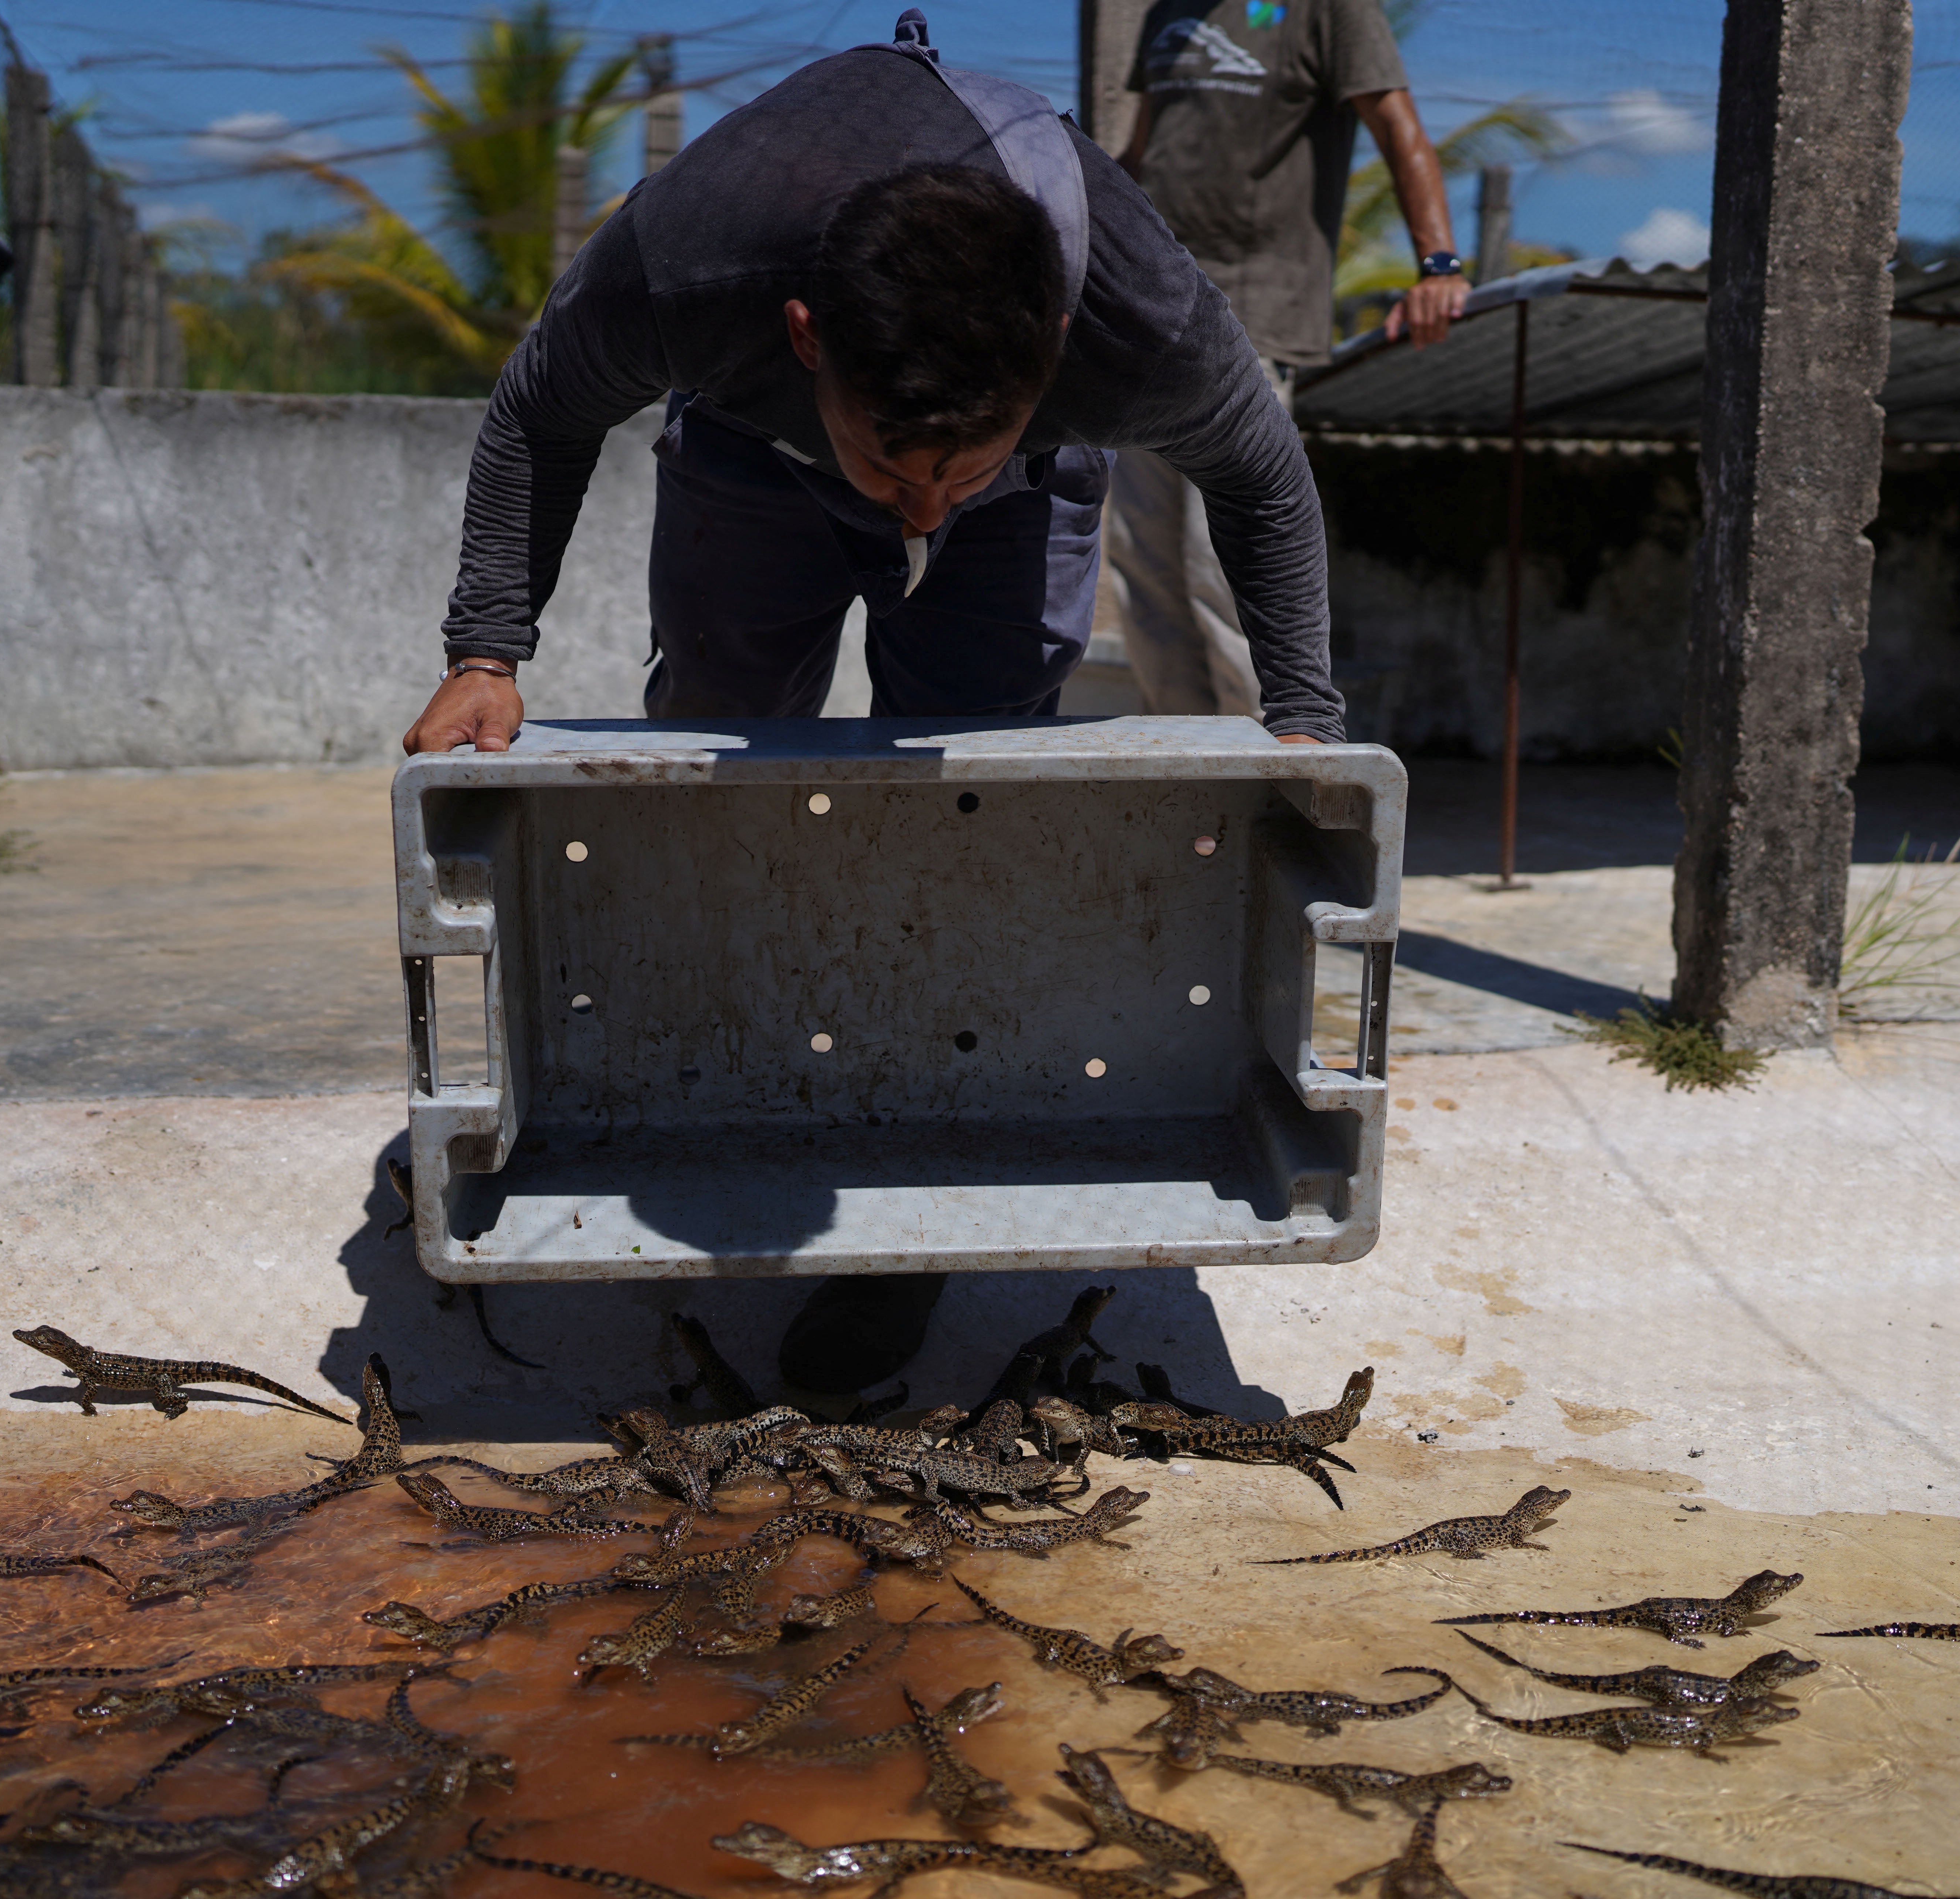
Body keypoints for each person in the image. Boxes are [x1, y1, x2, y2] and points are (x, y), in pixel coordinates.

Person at [400, 11, 1343, 1397]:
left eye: (954, 464)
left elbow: (1263, 476)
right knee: (716, 770)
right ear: (803, 333)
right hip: (750, 455)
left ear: (1059, 346)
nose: (920, 510)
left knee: (971, 807)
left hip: (1037, 489)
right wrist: (486, 652)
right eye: (892, 465)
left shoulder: (1136, 313)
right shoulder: (696, 259)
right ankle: (725, 1090)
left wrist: (1307, 718)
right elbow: (539, 411)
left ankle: (906, 1228)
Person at [1107, 0, 1463, 720]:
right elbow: (1137, 158)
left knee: (1226, 575)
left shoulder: (1329, 9)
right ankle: (1184, 796)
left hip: (1250, 324)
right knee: (1144, 577)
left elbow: (1398, 125)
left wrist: (1439, 265)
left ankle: (1267, 788)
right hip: (1146, 322)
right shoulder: (1165, 13)